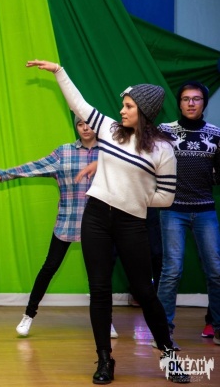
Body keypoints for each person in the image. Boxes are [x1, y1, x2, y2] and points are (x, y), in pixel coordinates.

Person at [26, 60, 186, 384]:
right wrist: (59, 72)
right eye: (122, 105)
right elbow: (79, 105)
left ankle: (169, 354)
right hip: (96, 217)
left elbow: (166, 197)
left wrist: (134, 197)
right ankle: (104, 359)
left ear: (144, 111)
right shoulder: (110, 130)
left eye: (128, 106)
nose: (122, 110)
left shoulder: (163, 150)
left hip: (132, 223)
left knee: (145, 291)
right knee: (99, 290)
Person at [0, 116, 124, 338]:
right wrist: (4, 174)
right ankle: (28, 315)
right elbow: (36, 166)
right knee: (49, 268)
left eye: (88, 123)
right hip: (68, 220)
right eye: (80, 124)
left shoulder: (110, 152)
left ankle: (106, 322)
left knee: (99, 277)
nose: (85, 128)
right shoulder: (64, 152)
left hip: (98, 225)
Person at [156, 80, 220, 346]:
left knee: (216, 271)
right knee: (171, 270)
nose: (191, 103)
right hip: (172, 210)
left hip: (205, 210)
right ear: (179, 103)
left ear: (204, 103)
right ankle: (163, 332)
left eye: (196, 99)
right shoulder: (164, 131)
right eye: (186, 99)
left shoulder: (216, 134)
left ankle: (217, 326)